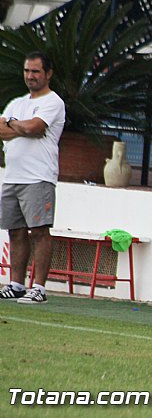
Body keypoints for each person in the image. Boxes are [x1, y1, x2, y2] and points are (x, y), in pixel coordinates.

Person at [0, 51, 65, 304]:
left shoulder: (53, 102)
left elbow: (35, 129)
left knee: (39, 231)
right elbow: (3, 131)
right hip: (13, 176)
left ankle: (39, 287)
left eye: (35, 71)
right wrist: (20, 126)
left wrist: (15, 124)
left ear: (48, 74)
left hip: (38, 177)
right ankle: (16, 284)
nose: (30, 76)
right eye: (27, 71)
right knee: (15, 232)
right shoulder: (17, 103)